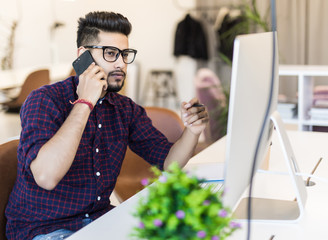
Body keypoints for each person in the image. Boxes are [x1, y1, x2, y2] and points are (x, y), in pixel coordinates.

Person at [5, 11, 209, 240]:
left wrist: (192, 130)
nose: (122, 63)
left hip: (99, 222)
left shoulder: (124, 109)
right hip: (44, 229)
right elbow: (46, 176)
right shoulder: (44, 100)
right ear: (83, 57)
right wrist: (85, 102)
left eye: (125, 54)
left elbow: (170, 164)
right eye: (111, 54)